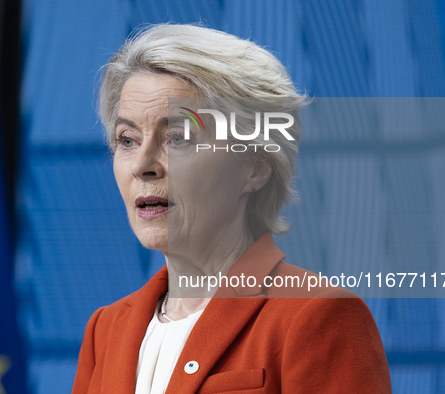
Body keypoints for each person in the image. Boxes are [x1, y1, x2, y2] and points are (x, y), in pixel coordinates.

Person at [72, 24, 391, 393]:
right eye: (127, 140)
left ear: (255, 166)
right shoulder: (105, 330)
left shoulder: (317, 315)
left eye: (177, 137)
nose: (142, 165)